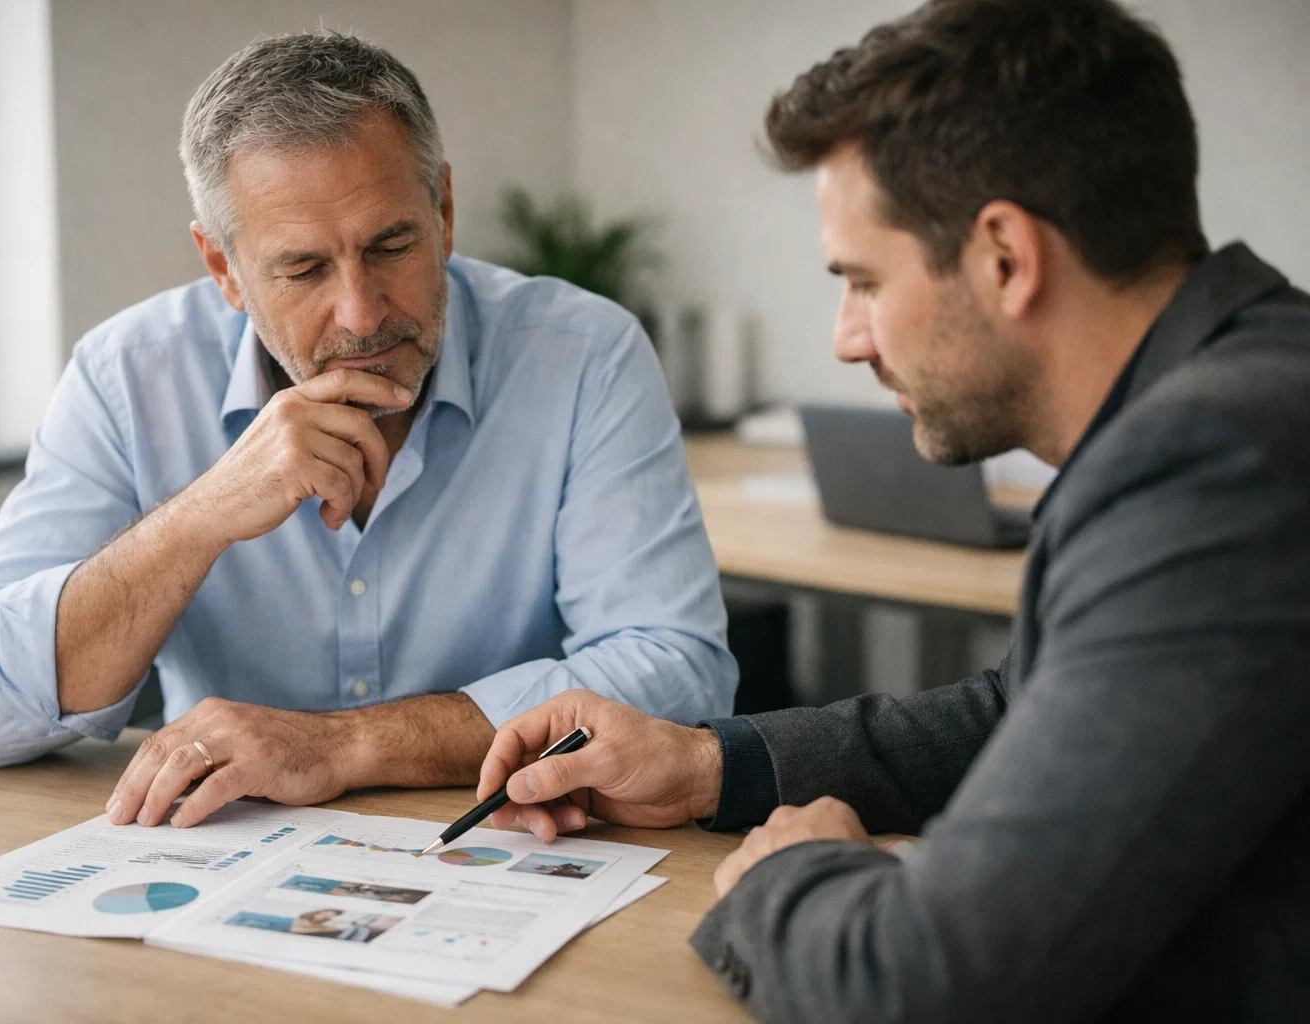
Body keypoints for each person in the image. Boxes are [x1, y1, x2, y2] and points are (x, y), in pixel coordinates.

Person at [476, 0, 1310, 1019]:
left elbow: (927, 985)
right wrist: (706, 766)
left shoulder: (1215, 460)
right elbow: (1026, 710)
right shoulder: (1238, 395)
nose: (846, 338)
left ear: (1006, 255)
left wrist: (795, 870)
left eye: (863, 281)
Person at [0, 32, 735, 829]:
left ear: (444, 212)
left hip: (508, 853)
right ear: (224, 270)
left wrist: (343, 748)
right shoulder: (127, 375)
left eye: (391, 245)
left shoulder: (585, 355)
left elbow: (678, 676)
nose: (361, 312)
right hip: (227, 869)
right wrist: (202, 515)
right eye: (303, 269)